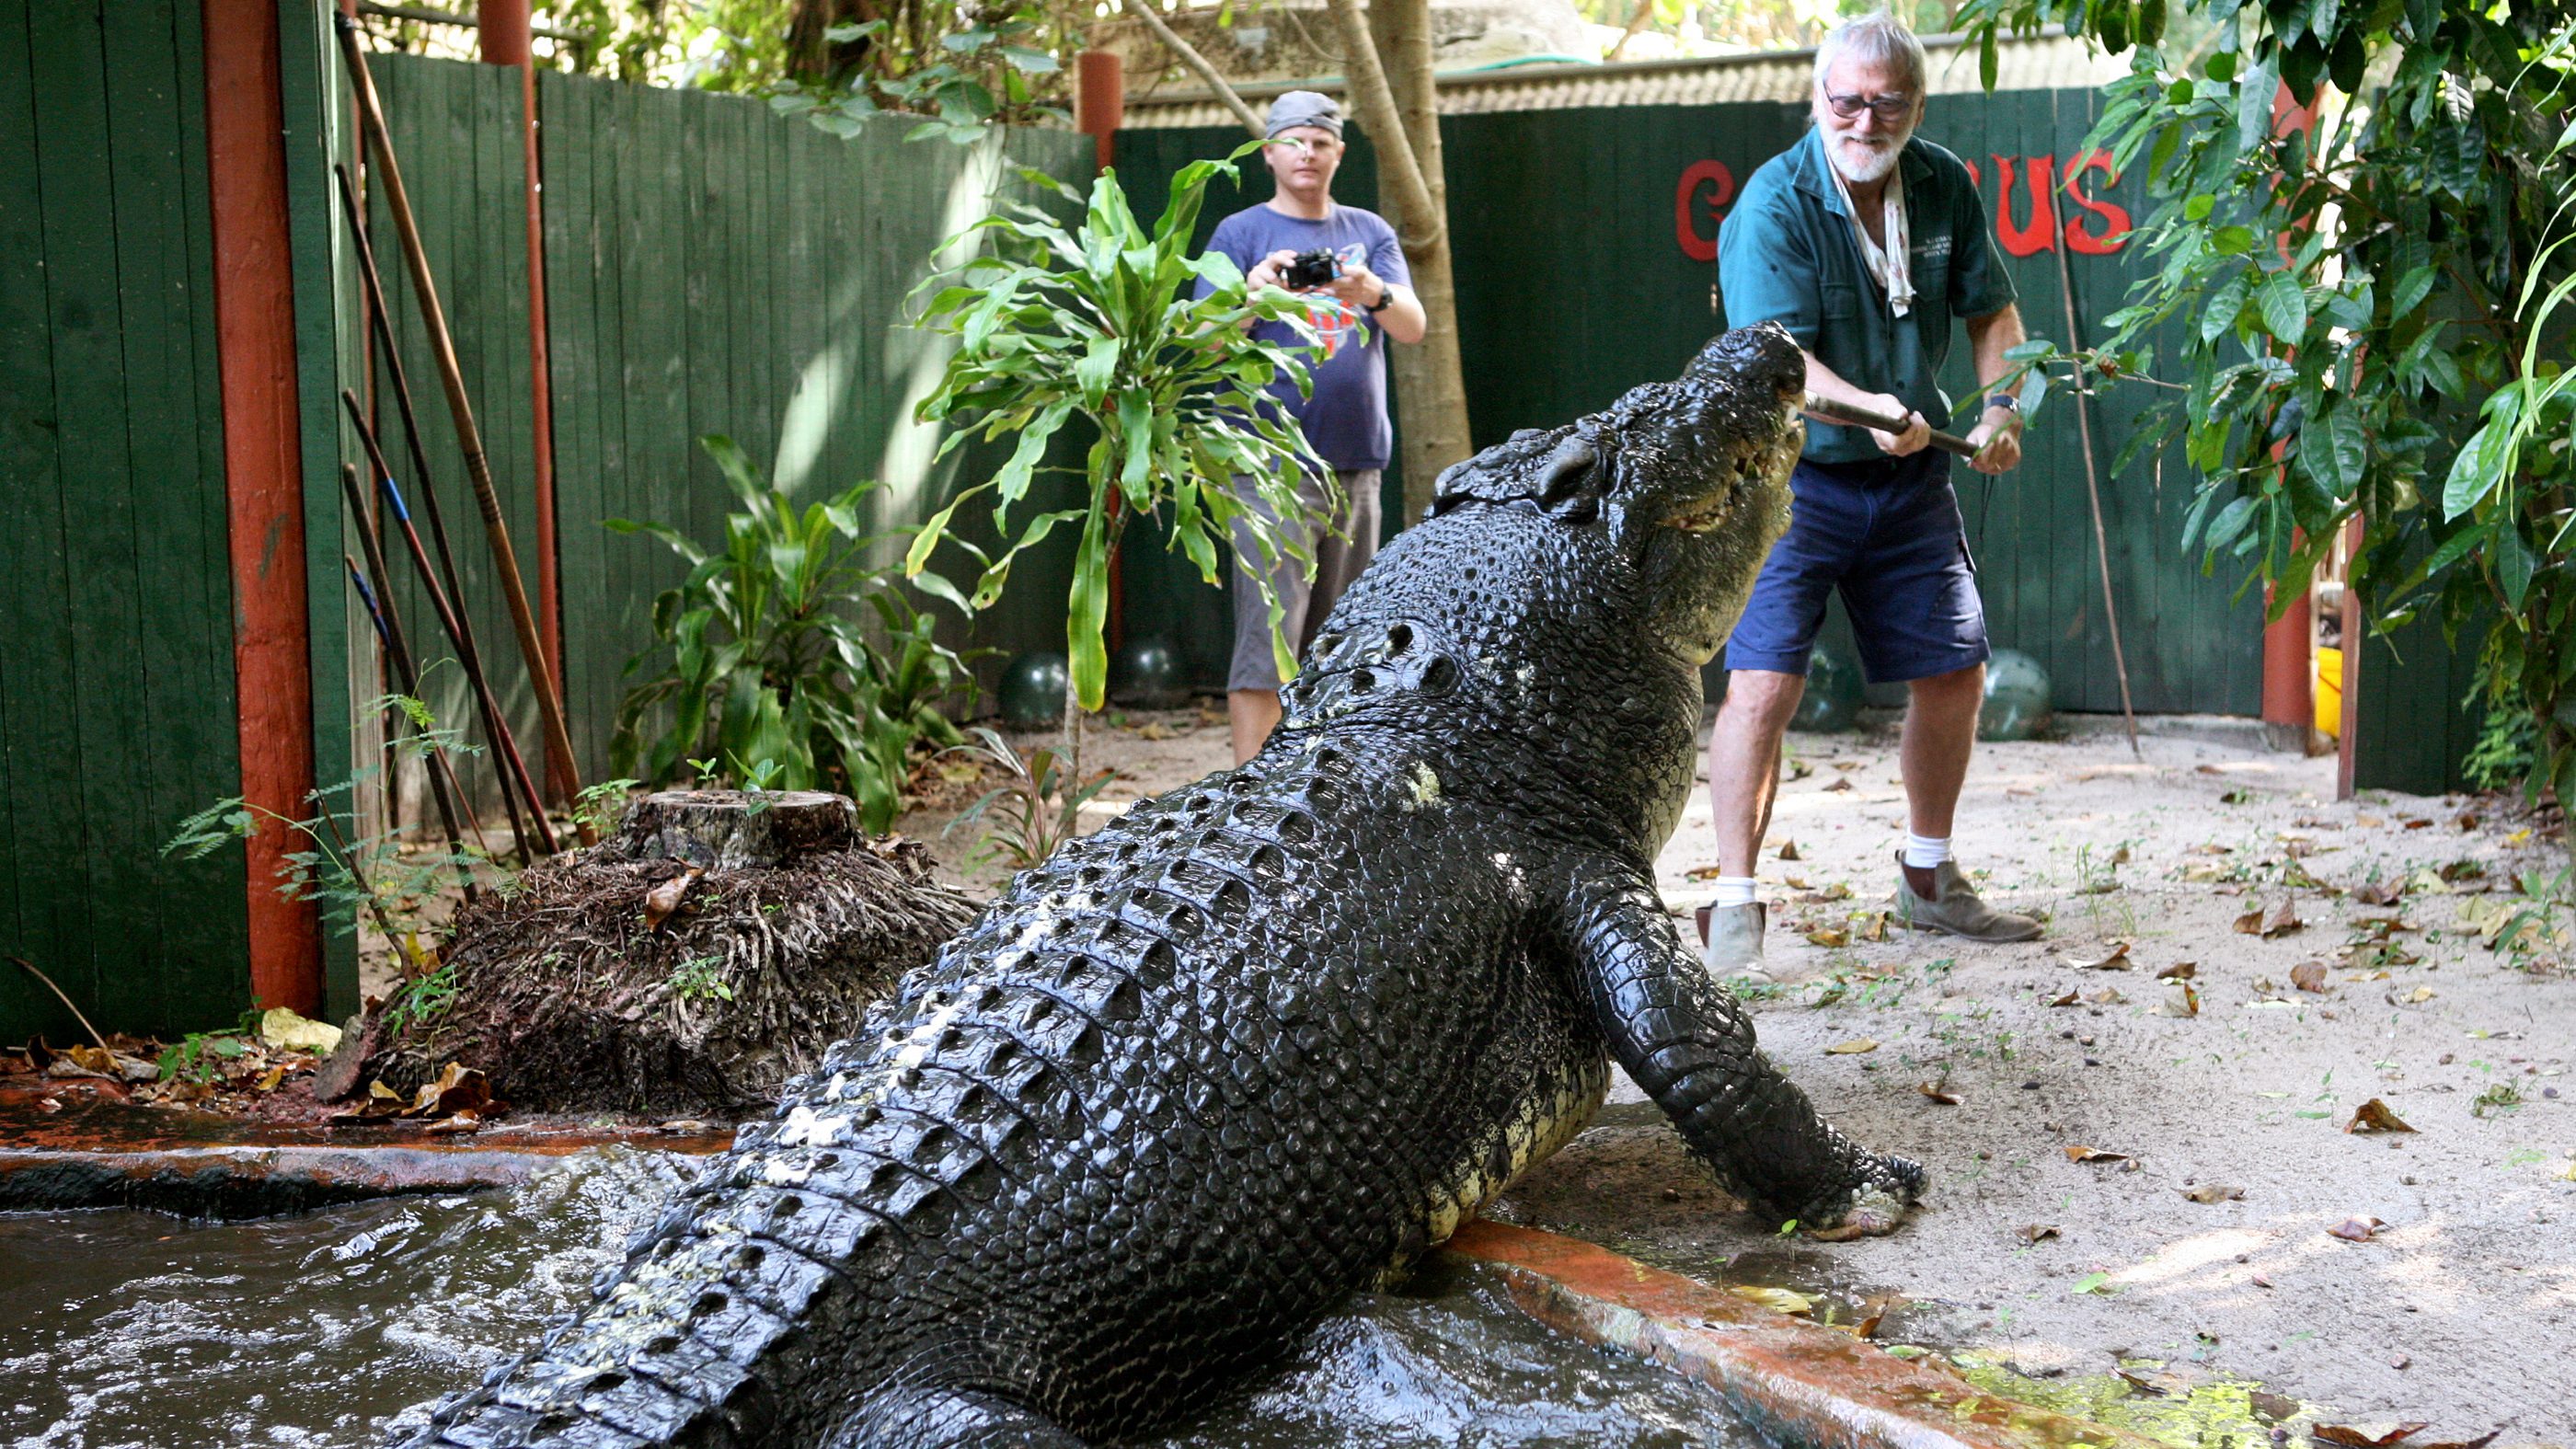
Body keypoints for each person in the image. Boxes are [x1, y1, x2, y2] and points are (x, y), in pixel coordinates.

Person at [1702, 10, 2041, 979]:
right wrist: (1868, 407)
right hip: (1790, 480)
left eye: (1884, 103)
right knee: (1764, 684)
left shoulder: (1941, 182)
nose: (1862, 120)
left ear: (1914, 106)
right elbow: (1776, 364)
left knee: (1952, 672)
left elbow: (1995, 314)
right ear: (1818, 99)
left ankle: (1927, 881)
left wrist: (2004, 406)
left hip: (1911, 473)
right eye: (1844, 100)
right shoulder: (1774, 202)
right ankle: (1733, 908)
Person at [1195, 90, 1427, 765]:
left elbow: (1413, 327)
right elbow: (1201, 340)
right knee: (1267, 647)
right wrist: (1254, 292)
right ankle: (1254, 806)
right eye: (1294, 141)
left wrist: (1369, 291)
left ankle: (1320, 799)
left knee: (1344, 645)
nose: (1307, 153)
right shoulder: (1240, 235)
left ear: (1338, 154)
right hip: (1267, 467)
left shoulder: (1370, 233)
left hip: (1355, 468)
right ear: (1269, 153)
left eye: (1320, 142)